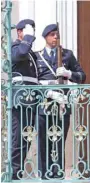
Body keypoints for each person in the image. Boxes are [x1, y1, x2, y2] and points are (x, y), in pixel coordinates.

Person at [35, 24, 86, 179]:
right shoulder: (37, 56)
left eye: (57, 34)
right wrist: (48, 91)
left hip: (62, 105)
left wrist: (69, 73)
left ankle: (58, 174)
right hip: (44, 104)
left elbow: (82, 77)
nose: (55, 37)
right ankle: (44, 175)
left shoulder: (67, 55)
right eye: (51, 34)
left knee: (59, 141)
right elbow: (34, 81)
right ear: (45, 37)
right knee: (44, 142)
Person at [10, 19, 39, 180]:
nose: (31, 33)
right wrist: (27, 38)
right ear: (19, 32)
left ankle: (18, 172)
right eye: (28, 30)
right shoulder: (15, 47)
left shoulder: (30, 53)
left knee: (26, 138)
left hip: (32, 99)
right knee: (18, 139)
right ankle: (14, 174)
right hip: (20, 99)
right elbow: (19, 54)